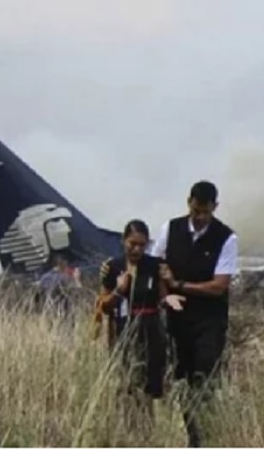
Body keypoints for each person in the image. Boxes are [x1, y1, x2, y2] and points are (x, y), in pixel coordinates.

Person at [150, 180, 238, 447]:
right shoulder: (171, 228)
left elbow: (218, 286)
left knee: (204, 376)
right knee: (182, 379)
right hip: (177, 319)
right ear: (189, 202)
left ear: (215, 208)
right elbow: (157, 265)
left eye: (205, 213)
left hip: (209, 321)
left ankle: (205, 436)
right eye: (196, 210)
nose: (199, 218)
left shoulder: (226, 237)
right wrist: (167, 297)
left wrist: (179, 285)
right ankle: (191, 434)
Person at [97, 220, 184, 422]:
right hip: (122, 330)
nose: (136, 249)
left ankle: (149, 426)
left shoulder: (154, 265)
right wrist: (119, 291)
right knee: (126, 381)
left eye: (141, 245)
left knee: (150, 384)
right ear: (123, 241)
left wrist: (168, 299)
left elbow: (162, 297)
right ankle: (128, 426)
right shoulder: (112, 267)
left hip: (151, 329)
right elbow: (104, 305)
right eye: (132, 244)